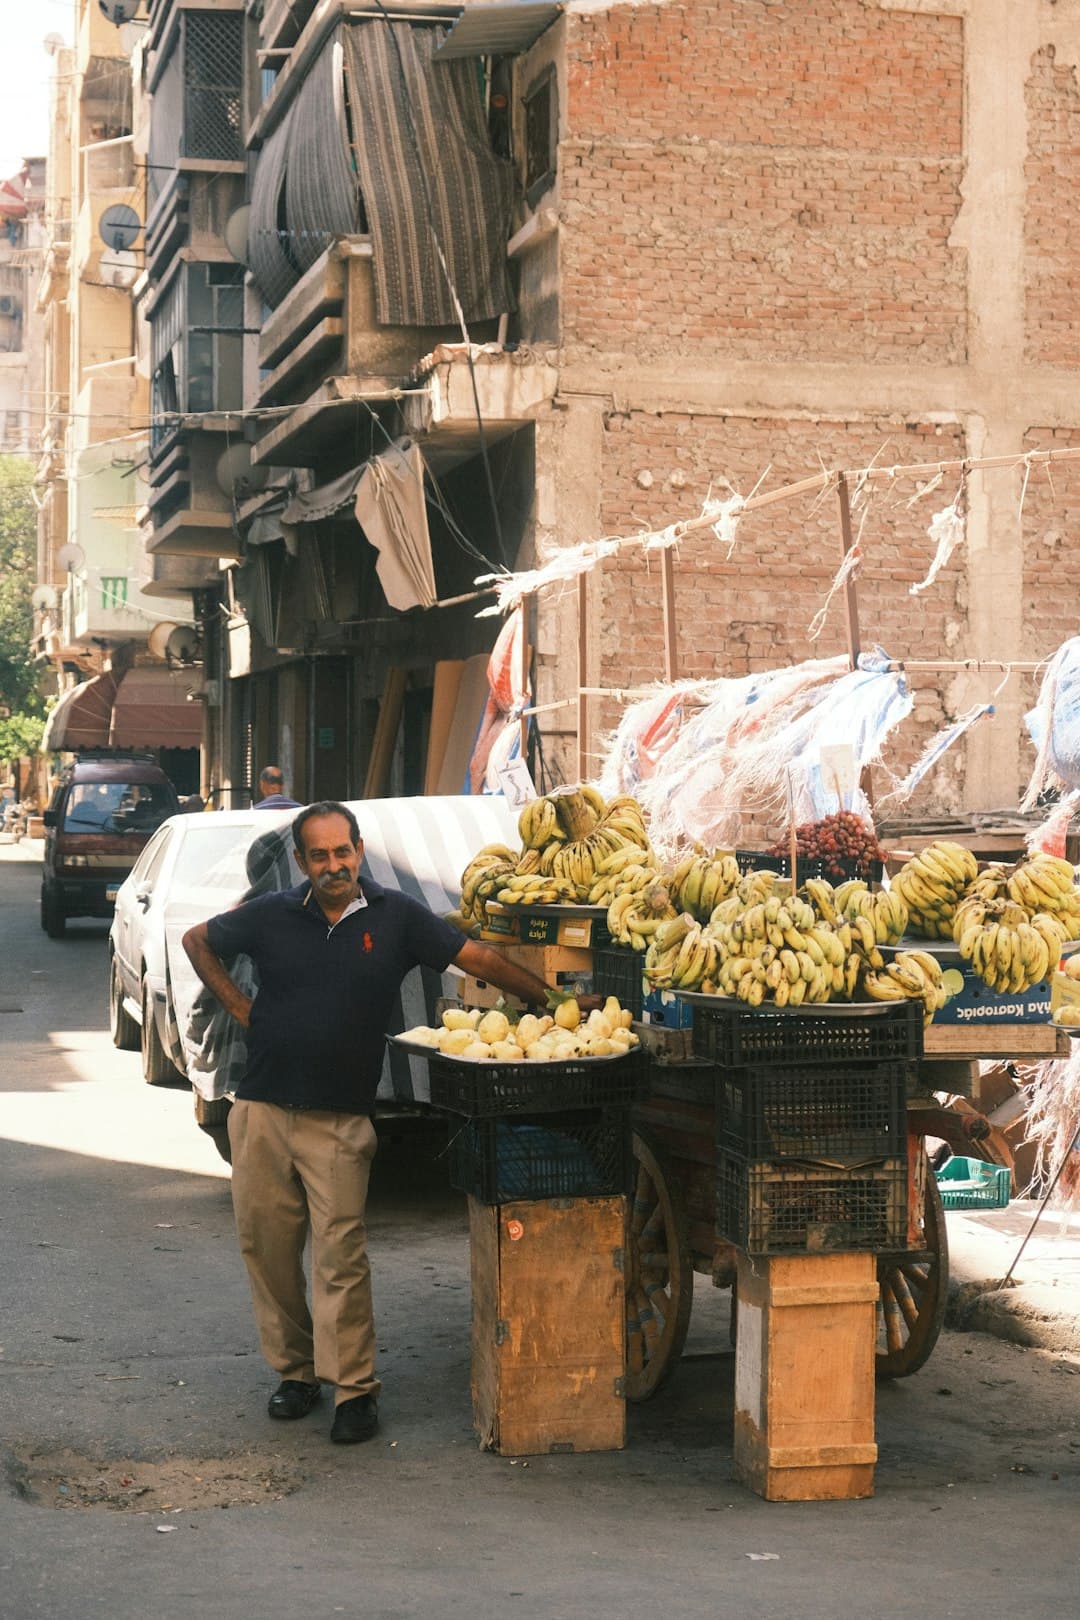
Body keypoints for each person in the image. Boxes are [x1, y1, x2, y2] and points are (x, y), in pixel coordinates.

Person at [181, 800, 552, 1445]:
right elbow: (197, 941)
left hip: (340, 1119)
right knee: (267, 1251)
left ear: (360, 851)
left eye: (342, 852)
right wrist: (242, 1009)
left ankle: (353, 1389)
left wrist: (550, 998)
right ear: (302, 862)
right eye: (319, 856)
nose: (333, 866)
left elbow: (477, 959)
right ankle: (296, 1375)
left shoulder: (398, 917)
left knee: (340, 1256)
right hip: (263, 1111)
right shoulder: (270, 915)